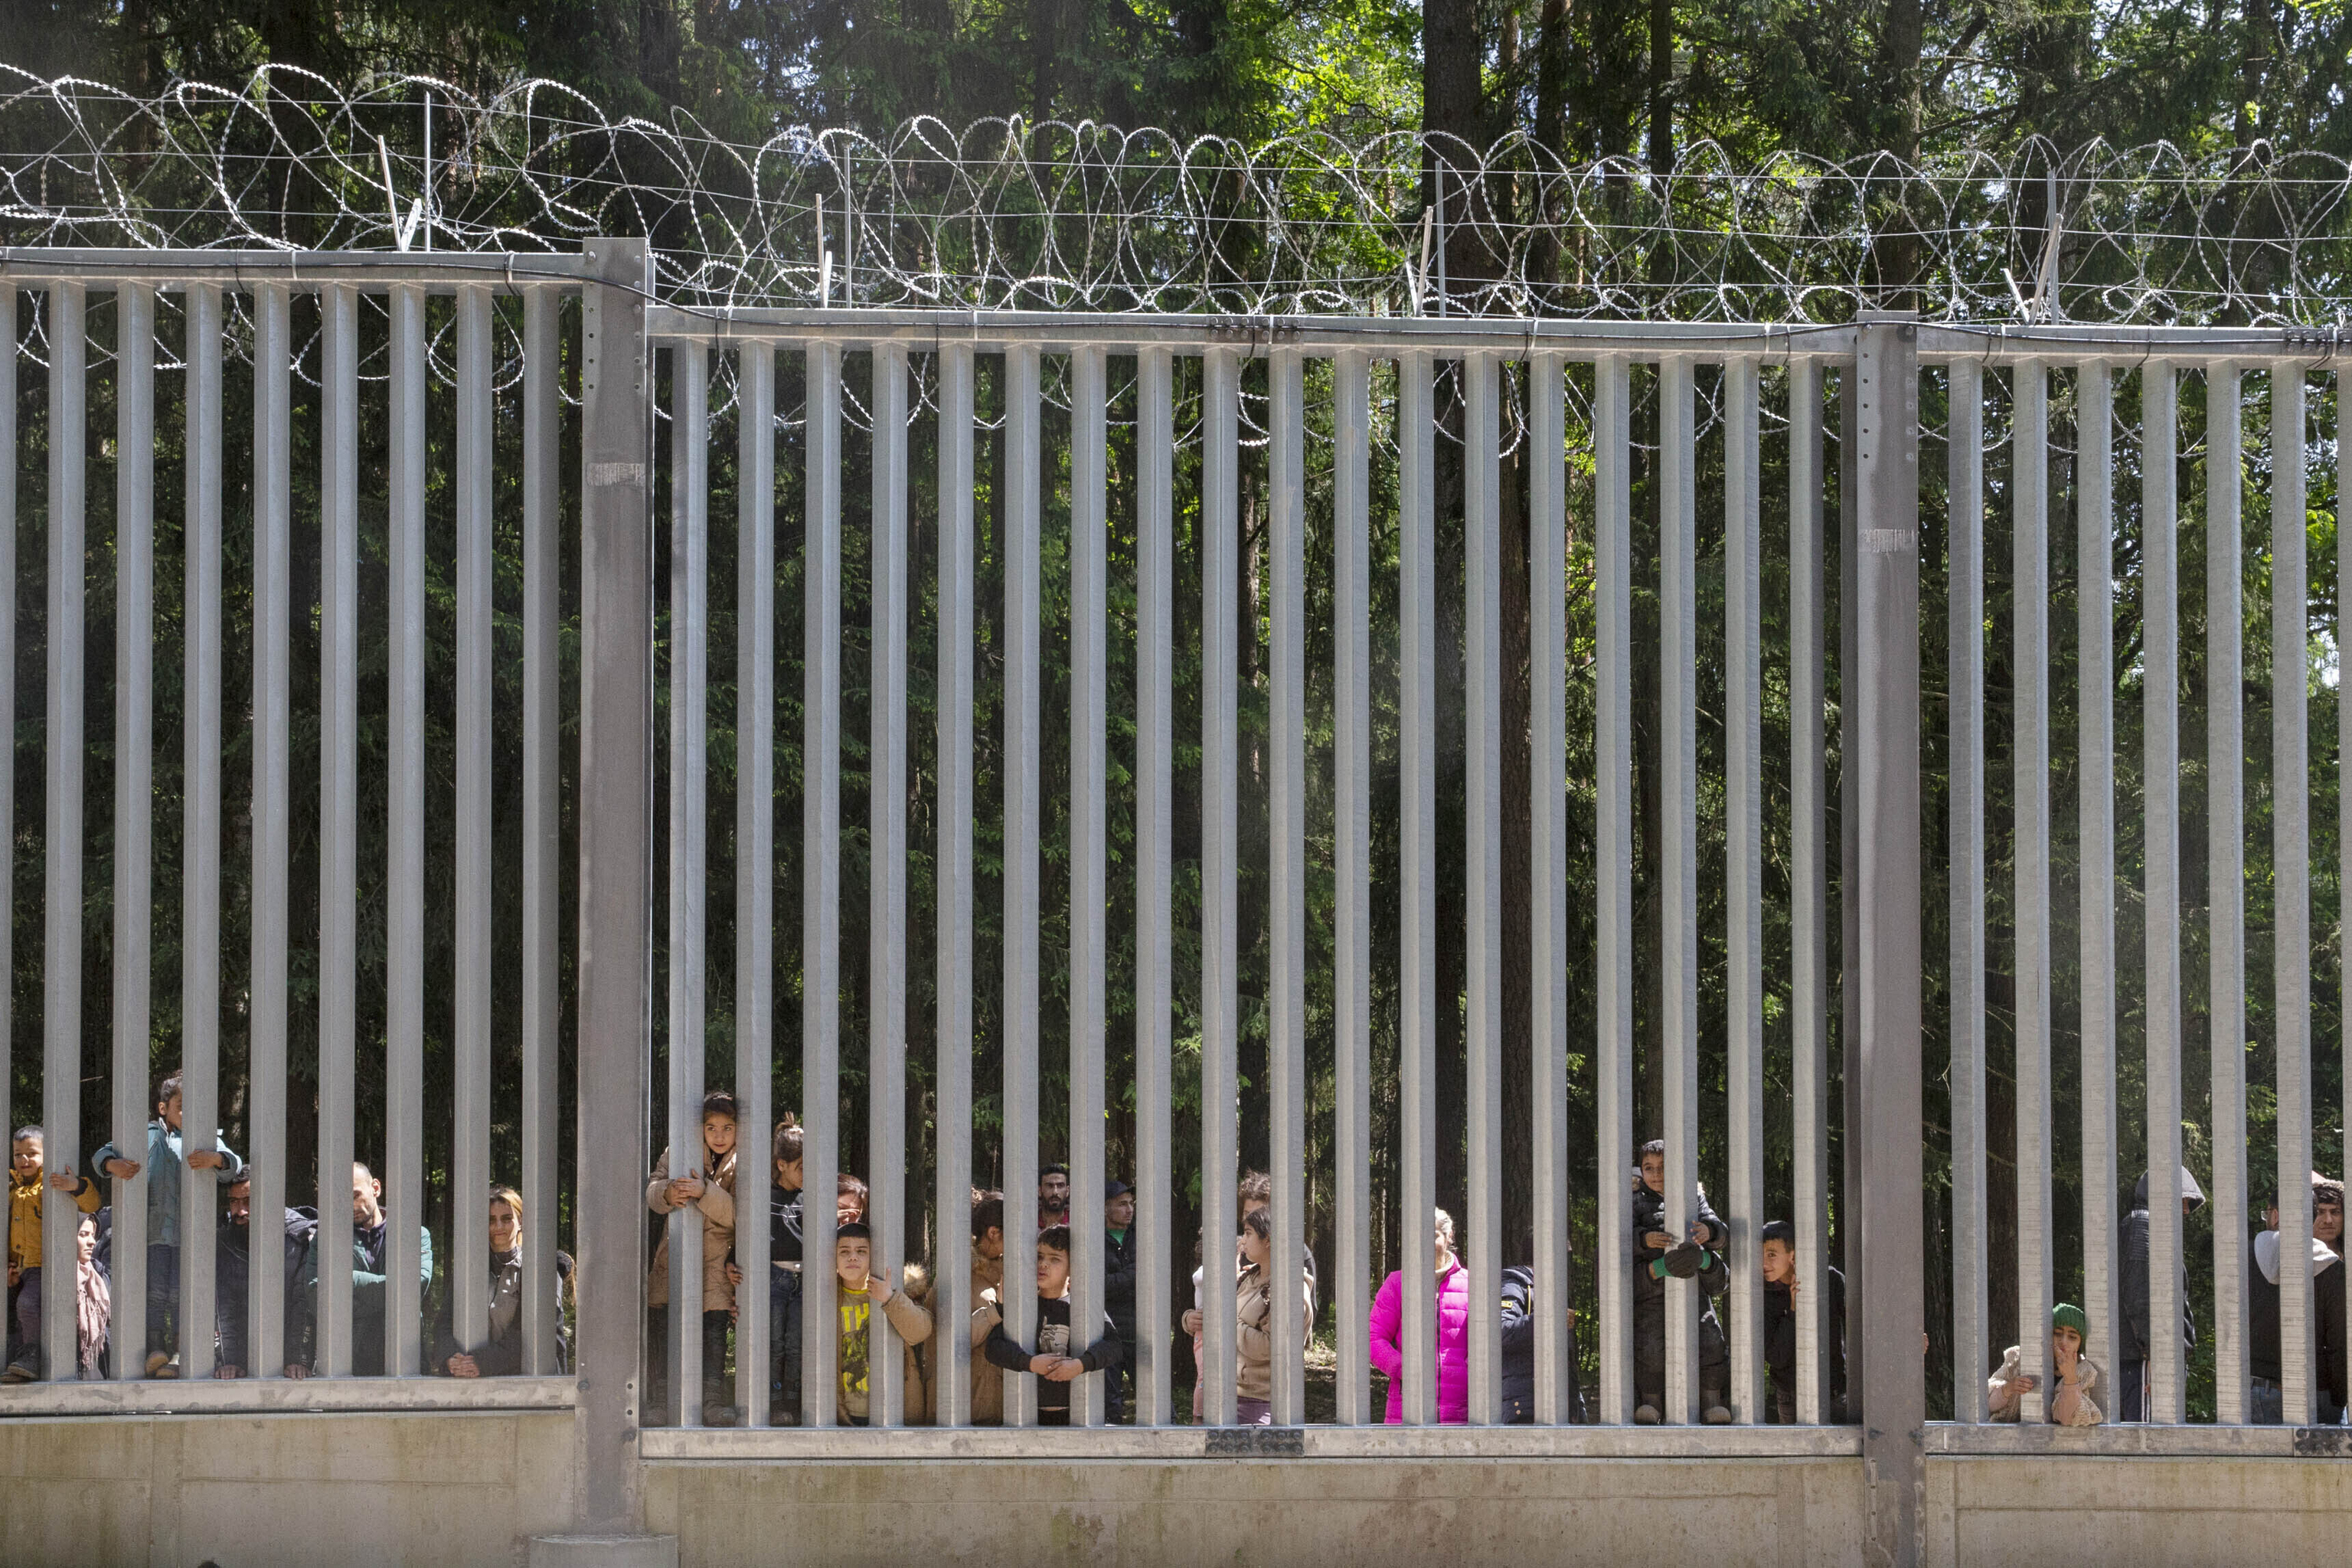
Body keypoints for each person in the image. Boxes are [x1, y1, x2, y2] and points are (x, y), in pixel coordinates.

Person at [91, 1071, 243, 1377]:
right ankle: (154, 1347)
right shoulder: (146, 1135)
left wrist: (216, 1160)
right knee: (156, 1291)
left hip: (190, 1234)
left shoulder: (207, 1140)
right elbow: (102, 1154)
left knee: (181, 1292)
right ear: (164, 1108)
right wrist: (112, 1164)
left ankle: (177, 1352)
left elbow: (234, 1164)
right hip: (153, 1232)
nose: (190, 1114)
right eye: (182, 1106)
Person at [647, 1089, 740, 1426]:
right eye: (711, 1127)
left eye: (728, 1128)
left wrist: (704, 1192)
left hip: (717, 1264)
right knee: (666, 1332)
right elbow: (653, 1189)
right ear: (700, 1127)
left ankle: (712, 1401)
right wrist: (667, 1193)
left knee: (712, 1337)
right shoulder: (679, 1151)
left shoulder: (746, 1161)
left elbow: (740, 1215)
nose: (719, 1135)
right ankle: (661, 1400)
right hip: (673, 1257)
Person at [979, 1223, 1123, 1426]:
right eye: (1039, 1257)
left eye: (1055, 1259)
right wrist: (1029, 1362)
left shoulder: (1085, 1307)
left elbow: (1115, 1346)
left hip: (1078, 1415)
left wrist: (1080, 1365)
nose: (1043, 1264)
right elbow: (994, 1348)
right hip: (1027, 1415)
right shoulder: (1023, 1307)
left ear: (1073, 1267)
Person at [1631, 1138, 1731, 1423]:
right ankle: (1653, 1403)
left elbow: (1718, 1228)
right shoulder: (1636, 1202)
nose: (1656, 1174)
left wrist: (1708, 1232)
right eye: (1649, 1167)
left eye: (1663, 1167)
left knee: (1711, 1342)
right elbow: (1624, 1238)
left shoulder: (1693, 1197)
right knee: (1650, 1348)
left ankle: (1711, 1401)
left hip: (1693, 1291)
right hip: (1653, 1297)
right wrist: (1644, 1239)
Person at [433, 1184, 573, 1378]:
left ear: (521, 1221)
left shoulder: (542, 1269)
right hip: (473, 1385)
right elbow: (444, 1324)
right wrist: (450, 1359)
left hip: (531, 1384)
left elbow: (534, 1333)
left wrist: (482, 1363)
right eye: (491, 1220)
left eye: (507, 1219)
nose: (498, 1226)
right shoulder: (469, 1271)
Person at [5, 1126, 103, 1383]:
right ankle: (19, 1361)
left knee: (27, 1305)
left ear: (46, 1155)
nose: (24, 1160)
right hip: (20, 1266)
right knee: (17, 1313)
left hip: (43, 1265)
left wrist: (76, 1186)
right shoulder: (13, 1190)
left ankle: (33, 1355)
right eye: (18, 1155)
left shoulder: (48, 1186)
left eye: (32, 1154)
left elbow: (92, 1204)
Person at [2250, 1173, 2341, 1425]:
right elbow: (2339, 1340)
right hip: (2318, 1391)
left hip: (2259, 1387)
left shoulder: (2242, 1259)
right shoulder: (2332, 1267)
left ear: (2276, 1214)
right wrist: (2339, 1396)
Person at [2117, 1166, 2205, 1421]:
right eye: (2183, 1200)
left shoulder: (2146, 1224)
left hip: (2146, 1361)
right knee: (2147, 1446)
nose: (2187, 1210)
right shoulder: (2144, 1222)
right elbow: (2139, 1297)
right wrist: (2156, 1355)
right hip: (2144, 1363)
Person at [1367, 1208, 1470, 1423]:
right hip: (1407, 1411)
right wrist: (1405, 1369)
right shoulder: (1397, 1283)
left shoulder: (1472, 1284)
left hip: (1463, 1414)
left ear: (1449, 1236)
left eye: (1433, 1236)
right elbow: (1373, 1339)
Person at [212, 1171, 316, 1380]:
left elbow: (303, 1304)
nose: (240, 1211)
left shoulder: (300, 1239)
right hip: (244, 1362)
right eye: (234, 1202)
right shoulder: (225, 1240)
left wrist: (299, 1361)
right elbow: (224, 1306)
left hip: (295, 1364)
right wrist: (230, 1362)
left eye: (248, 1201)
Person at [831, 1220, 934, 1424]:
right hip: (842, 1413)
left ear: (874, 1256)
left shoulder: (896, 1291)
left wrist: (889, 1298)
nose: (852, 1256)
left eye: (862, 1251)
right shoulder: (825, 1298)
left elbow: (920, 1332)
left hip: (894, 1410)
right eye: (844, 1251)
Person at [1231, 1207, 1311, 1426]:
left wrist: (1228, 1326)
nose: (1243, 1240)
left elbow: (1272, 1347)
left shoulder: (1290, 1289)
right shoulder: (1248, 1278)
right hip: (1230, 1397)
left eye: (1248, 1233)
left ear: (1268, 1240)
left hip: (1263, 1403)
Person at [1760, 1219, 1846, 1423]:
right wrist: (1793, 1310)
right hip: (1791, 1395)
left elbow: (1862, 1324)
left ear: (1793, 1255)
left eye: (1772, 1254)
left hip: (1835, 1391)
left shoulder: (1830, 1280)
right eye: (1760, 1254)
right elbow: (1776, 1357)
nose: (1763, 1263)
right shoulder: (1762, 1293)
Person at [1499, 1263, 1588, 1423]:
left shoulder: (1550, 1288)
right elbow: (1501, 1331)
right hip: (1525, 1406)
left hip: (1562, 1403)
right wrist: (1546, 1319)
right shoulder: (1513, 1285)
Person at [1989, 1303, 2104, 1426]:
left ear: (2080, 1344)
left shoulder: (2085, 1372)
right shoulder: (2019, 1359)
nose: (2063, 1342)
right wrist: (2008, 1389)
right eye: (2057, 1333)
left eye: (2072, 1337)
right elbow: (1987, 1404)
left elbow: (2067, 1418)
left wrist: (2071, 1379)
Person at [963, 1194, 1008, 1425]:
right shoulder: (961, 1272)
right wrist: (996, 1310)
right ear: (993, 1232)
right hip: (971, 1403)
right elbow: (954, 1339)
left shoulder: (1009, 1270)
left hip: (1004, 1400)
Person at [1104, 1179, 1138, 1407]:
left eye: (1131, 1203)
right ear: (1106, 1208)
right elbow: (1096, 1285)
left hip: (1139, 1332)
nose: (1129, 1210)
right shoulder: (1093, 1239)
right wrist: (1134, 1273)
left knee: (1159, 1405)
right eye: (1122, 1204)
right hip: (1107, 1332)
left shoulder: (1140, 1235)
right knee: (1109, 1406)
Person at [2318, 1179, 2347, 1424]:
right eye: (2320, 1212)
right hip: (2318, 1384)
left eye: (2335, 1212)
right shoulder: (2290, 1263)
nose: (2328, 1220)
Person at [1038, 1164, 1071, 1230]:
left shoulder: (1076, 1222)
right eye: (1049, 1186)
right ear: (1040, 1190)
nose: (1055, 1192)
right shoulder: (1031, 1221)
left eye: (1060, 1186)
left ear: (1067, 1191)